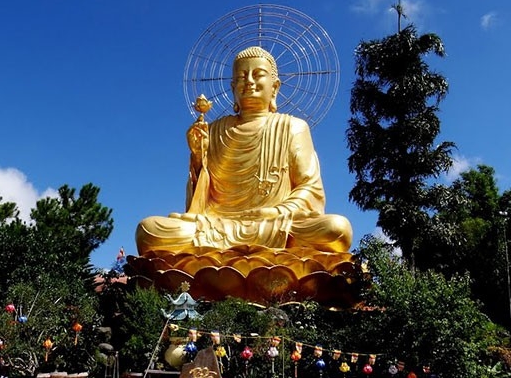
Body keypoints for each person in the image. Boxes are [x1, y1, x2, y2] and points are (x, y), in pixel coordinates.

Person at [136, 46, 352, 254]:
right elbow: (199, 205)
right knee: (149, 230)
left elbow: (309, 188)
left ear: (275, 87)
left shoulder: (293, 127)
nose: (249, 81)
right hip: (217, 226)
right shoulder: (214, 130)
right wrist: (198, 157)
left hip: (274, 223)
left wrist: (277, 212)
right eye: (241, 77)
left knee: (336, 229)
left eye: (258, 75)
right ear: (233, 88)